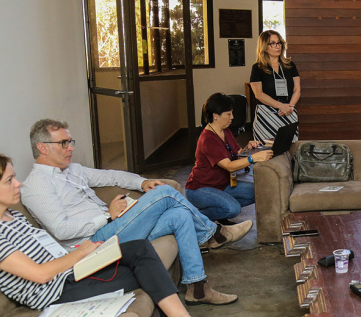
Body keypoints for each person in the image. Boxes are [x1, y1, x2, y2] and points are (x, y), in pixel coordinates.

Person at [0, 154, 232, 317]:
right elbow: (40, 275)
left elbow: (49, 253)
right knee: (147, 268)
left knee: (139, 249)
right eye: (9, 181)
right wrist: (82, 253)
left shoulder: (11, 217)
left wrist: (85, 254)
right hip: (57, 290)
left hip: (72, 271)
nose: (18, 184)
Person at [20, 119, 249, 306]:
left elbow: (112, 176)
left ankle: (198, 288)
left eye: (71, 142)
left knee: (178, 216)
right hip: (92, 244)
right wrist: (107, 216)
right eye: (64, 143)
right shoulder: (37, 185)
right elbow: (61, 230)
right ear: (43, 148)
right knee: (166, 193)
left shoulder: (72, 170)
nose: (71, 148)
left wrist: (143, 182)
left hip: (114, 227)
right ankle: (215, 233)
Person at [185, 93, 274, 221]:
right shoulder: (208, 139)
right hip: (200, 189)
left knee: (258, 191)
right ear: (215, 115)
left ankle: (219, 209)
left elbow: (237, 154)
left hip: (222, 185)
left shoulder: (225, 130)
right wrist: (252, 158)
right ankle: (193, 218)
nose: (232, 117)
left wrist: (247, 149)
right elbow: (229, 166)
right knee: (233, 209)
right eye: (228, 114)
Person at [250, 29, 300, 142]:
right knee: (266, 152)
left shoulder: (290, 65)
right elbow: (258, 94)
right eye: (272, 43)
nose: (277, 46)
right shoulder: (257, 68)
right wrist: (280, 106)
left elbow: (297, 89)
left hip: (288, 112)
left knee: (290, 150)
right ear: (264, 47)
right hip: (267, 116)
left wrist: (289, 106)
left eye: (279, 43)